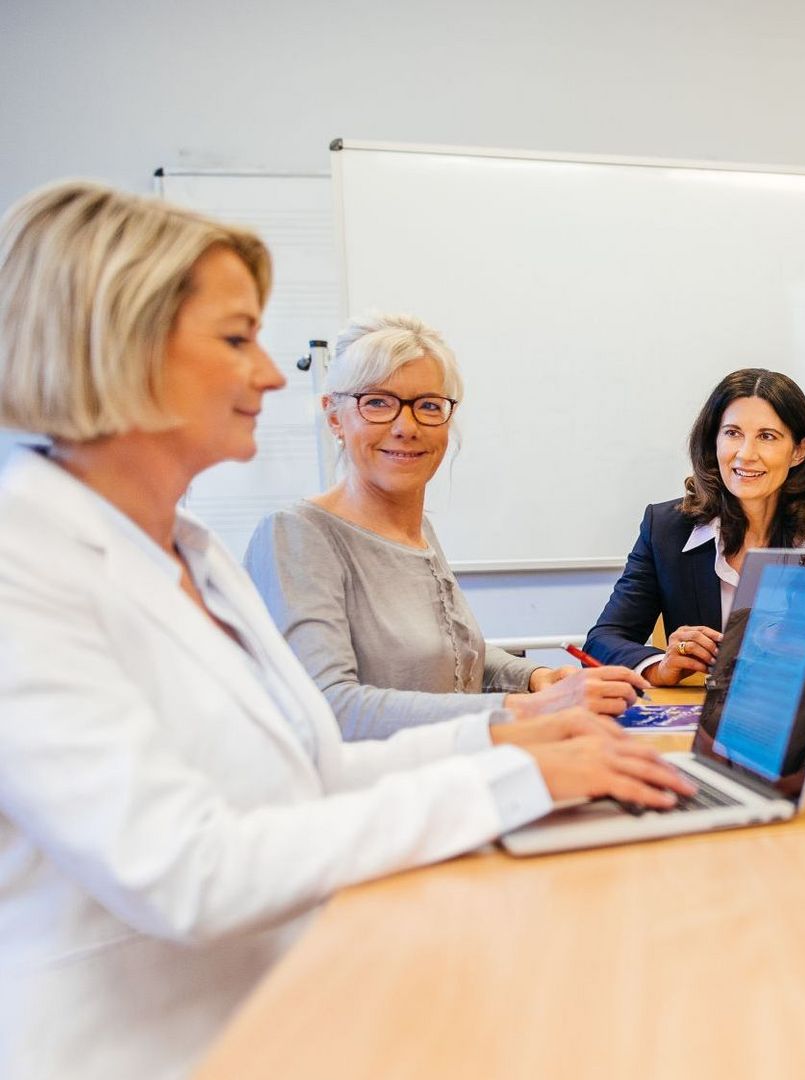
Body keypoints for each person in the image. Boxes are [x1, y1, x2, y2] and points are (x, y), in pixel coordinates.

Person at [0, 181, 695, 1080]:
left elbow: (309, 763)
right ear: (120, 343)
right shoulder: (26, 564)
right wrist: (505, 775)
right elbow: (185, 870)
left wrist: (516, 747)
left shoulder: (188, 548)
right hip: (147, 1050)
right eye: (236, 338)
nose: (268, 373)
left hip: (287, 995)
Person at [245, 312, 650, 739]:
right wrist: (526, 708)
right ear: (334, 416)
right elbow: (330, 708)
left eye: (428, 406)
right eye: (377, 402)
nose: (406, 427)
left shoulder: (416, 532)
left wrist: (535, 679)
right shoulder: (296, 535)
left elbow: (450, 656)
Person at [585, 368, 805, 679]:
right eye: (733, 433)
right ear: (713, 441)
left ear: (799, 451)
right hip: (706, 721)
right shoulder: (666, 528)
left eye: (767, 436)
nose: (746, 453)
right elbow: (602, 641)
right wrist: (661, 666)